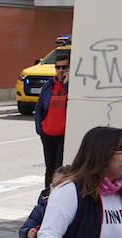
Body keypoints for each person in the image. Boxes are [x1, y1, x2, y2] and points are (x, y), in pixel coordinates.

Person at [34, 51, 70, 189]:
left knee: (60, 169)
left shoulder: (72, 86)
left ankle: (58, 194)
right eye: (58, 67)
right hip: (47, 134)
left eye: (64, 67)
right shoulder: (49, 85)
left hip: (63, 135)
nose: (60, 70)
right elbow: (38, 108)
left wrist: (67, 84)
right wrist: (39, 128)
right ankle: (47, 196)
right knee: (49, 168)